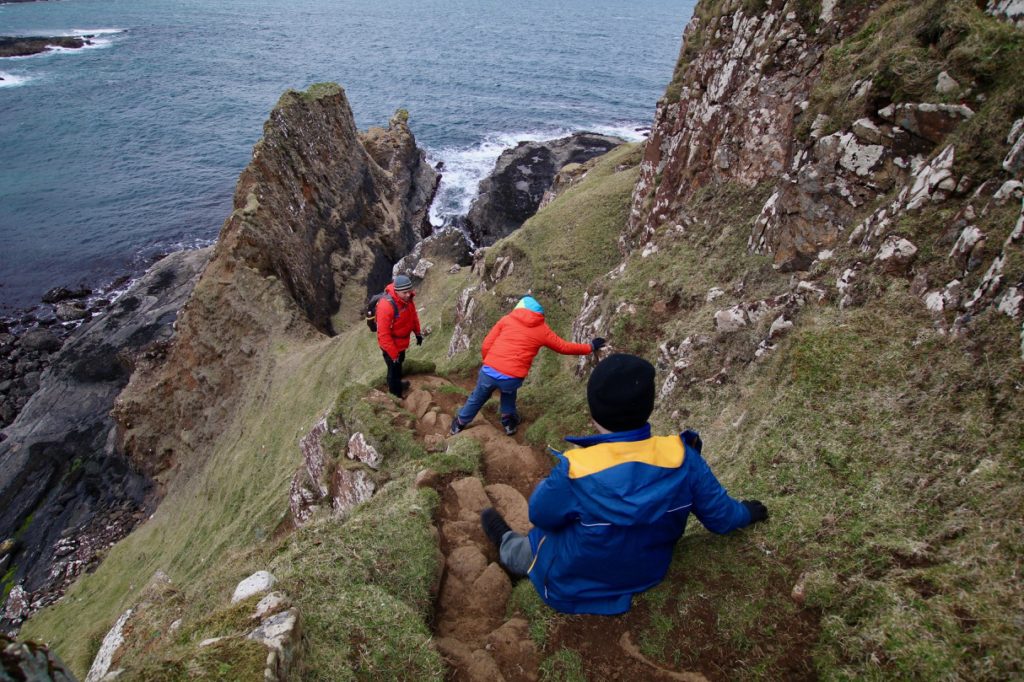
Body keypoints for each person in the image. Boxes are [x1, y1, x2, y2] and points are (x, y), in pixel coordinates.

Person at [480, 353, 769, 615]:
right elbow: (721, 518)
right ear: (649, 406)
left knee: (534, 541)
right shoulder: (683, 457)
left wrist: (555, 485)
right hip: (645, 572)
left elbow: (540, 515)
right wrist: (746, 512)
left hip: (574, 582)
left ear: (593, 413)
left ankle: (506, 543)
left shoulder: (577, 469)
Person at [450, 295, 605, 436]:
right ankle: (508, 423)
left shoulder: (506, 320)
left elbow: (486, 345)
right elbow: (563, 347)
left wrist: (489, 361)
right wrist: (590, 346)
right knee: (508, 395)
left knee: (477, 397)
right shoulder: (542, 330)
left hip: (489, 371)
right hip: (512, 377)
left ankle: (459, 424)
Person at [376, 274, 422, 397]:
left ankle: (397, 384)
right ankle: (395, 394)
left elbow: (413, 316)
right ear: (396, 291)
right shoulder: (385, 307)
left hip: (401, 343)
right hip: (390, 346)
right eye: (405, 292)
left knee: (399, 365)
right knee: (393, 369)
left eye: (409, 291)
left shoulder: (407, 299)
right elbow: (383, 335)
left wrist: (417, 333)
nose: (408, 295)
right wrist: (393, 354)